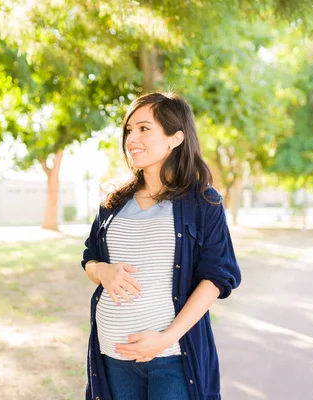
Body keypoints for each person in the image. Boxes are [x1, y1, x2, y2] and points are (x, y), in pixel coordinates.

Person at [81, 92, 241, 400]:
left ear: (175, 138)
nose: (132, 138)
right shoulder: (113, 202)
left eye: (144, 129)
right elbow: (90, 258)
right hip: (112, 355)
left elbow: (217, 277)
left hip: (172, 357)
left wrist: (166, 338)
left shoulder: (202, 202)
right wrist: (102, 271)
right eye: (129, 130)